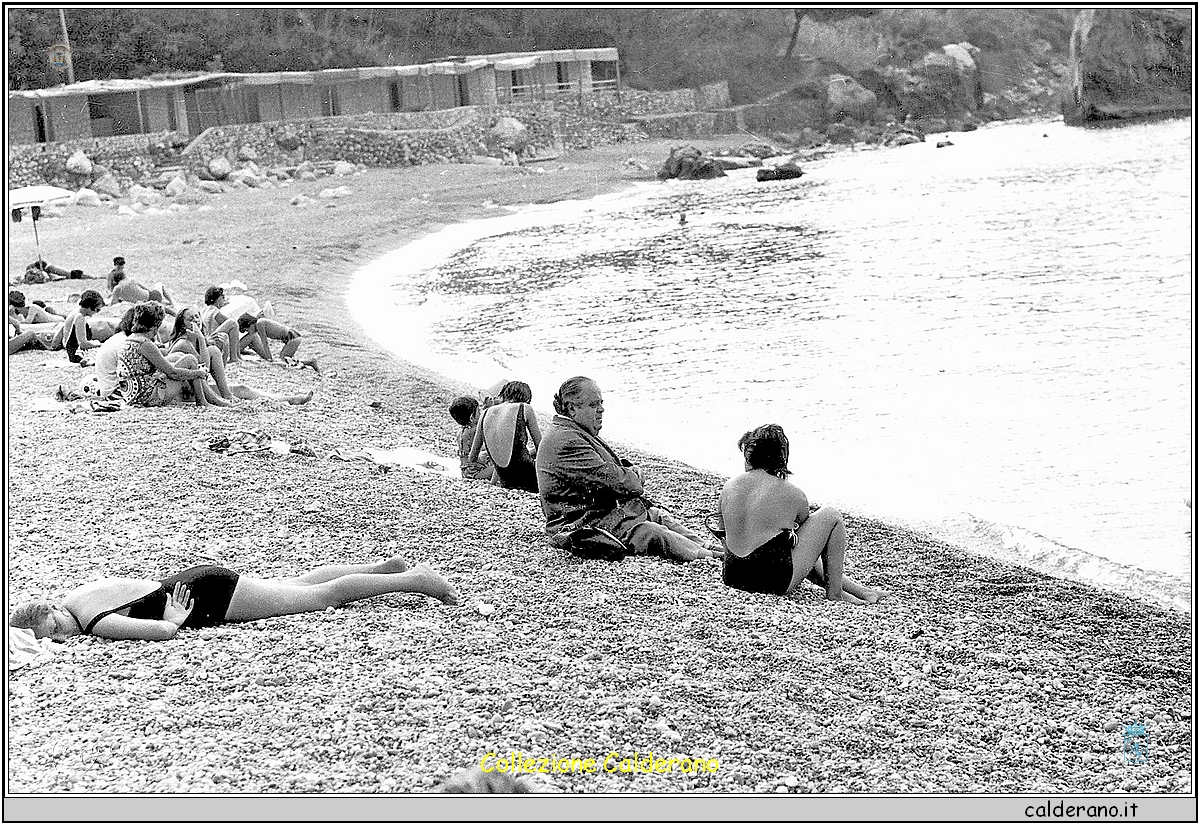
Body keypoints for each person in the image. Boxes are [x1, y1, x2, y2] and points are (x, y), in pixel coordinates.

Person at [9, 556, 461, 642]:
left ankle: (418, 581)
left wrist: (173, 618)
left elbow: (164, 630)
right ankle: (384, 568)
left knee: (319, 599)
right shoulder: (75, 594)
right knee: (297, 584)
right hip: (195, 577)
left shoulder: (94, 623)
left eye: (52, 634)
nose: (61, 638)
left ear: (51, 618)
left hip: (207, 598)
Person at [535, 376, 720, 562]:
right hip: (580, 524)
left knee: (655, 515)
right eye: (593, 405)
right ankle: (709, 557)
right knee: (651, 532)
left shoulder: (572, 432)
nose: (601, 409)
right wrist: (633, 476)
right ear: (572, 408)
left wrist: (627, 472)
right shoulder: (568, 440)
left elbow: (611, 472)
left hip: (596, 514)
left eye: (601, 403)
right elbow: (617, 482)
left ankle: (709, 547)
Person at [716, 424, 886, 605]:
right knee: (831, 516)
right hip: (771, 581)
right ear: (781, 457)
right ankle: (836, 594)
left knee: (784, 546)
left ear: (749, 455)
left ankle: (863, 591)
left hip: (733, 575)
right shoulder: (793, 493)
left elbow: (722, 532)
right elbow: (811, 547)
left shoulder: (729, 486)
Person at [167, 307, 313, 405]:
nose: (196, 321)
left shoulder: (197, 341)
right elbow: (202, 372)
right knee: (242, 390)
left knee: (243, 388)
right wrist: (201, 339)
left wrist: (223, 350)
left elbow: (217, 372)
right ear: (181, 325)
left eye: (197, 316)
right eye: (190, 319)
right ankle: (292, 400)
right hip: (183, 393)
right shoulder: (184, 343)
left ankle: (290, 399)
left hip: (194, 388)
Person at [116, 301, 230, 408]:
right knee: (190, 360)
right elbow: (173, 373)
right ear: (156, 324)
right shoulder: (145, 344)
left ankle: (205, 400)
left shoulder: (132, 339)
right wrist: (198, 373)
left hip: (132, 394)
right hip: (146, 396)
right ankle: (204, 401)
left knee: (181, 358)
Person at [469, 380, 540, 492]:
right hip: (529, 477)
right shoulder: (525, 407)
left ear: (504, 394)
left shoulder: (485, 413)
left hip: (506, 480)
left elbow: (472, 457)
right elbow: (541, 447)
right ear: (526, 398)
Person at [449, 396, 495, 481]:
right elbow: (485, 421)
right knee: (501, 469)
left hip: (466, 472)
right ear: (471, 417)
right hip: (475, 474)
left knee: (485, 454)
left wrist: (485, 407)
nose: (481, 413)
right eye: (478, 411)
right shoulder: (473, 430)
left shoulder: (463, 430)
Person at [109, 270, 176, 311]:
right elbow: (148, 289)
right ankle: (174, 303)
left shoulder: (117, 289)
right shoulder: (132, 280)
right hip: (152, 297)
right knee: (159, 284)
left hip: (142, 304)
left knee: (158, 301)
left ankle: (167, 303)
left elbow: (113, 303)